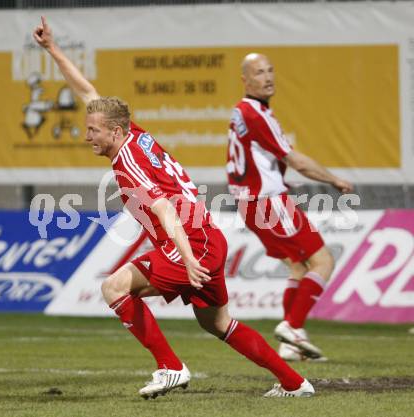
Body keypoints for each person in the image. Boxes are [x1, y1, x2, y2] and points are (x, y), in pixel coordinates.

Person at [33, 18, 315, 398]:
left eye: (92, 131)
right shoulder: (132, 133)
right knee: (219, 324)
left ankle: (170, 367)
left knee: (114, 287)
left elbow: (165, 210)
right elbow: (88, 92)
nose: (87, 136)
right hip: (207, 236)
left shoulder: (128, 165)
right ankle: (295, 383)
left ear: (114, 132)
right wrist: (52, 49)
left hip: (191, 244)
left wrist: (187, 258)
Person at [227, 53, 354, 362]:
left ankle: (290, 345)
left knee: (298, 266)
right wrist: (333, 179)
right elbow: (295, 160)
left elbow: (257, 158)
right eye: (258, 72)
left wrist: (274, 179)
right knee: (323, 262)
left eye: (270, 71)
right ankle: (293, 327)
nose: (267, 77)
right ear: (245, 80)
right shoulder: (257, 114)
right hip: (267, 202)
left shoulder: (242, 112)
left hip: (251, 202)